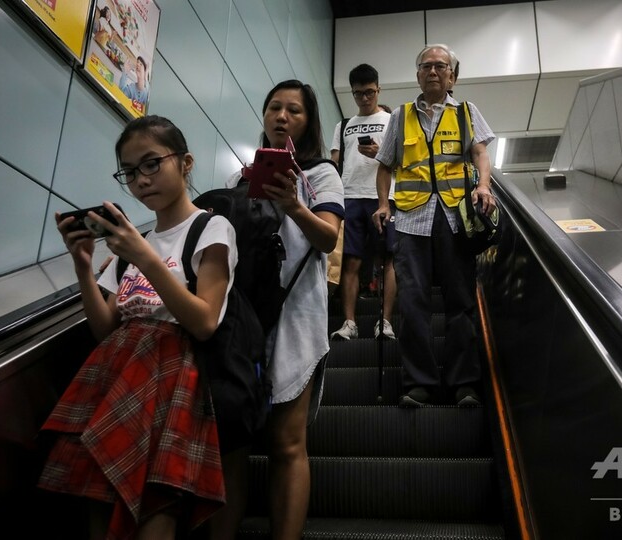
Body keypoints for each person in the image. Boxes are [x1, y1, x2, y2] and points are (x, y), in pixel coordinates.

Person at [38, 115, 236, 539]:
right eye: (129, 172)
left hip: (171, 374)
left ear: (185, 163)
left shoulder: (210, 227)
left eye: (151, 163)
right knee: (98, 491)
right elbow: (106, 329)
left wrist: (144, 256)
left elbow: (204, 321)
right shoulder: (134, 241)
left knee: (155, 504)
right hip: (116, 371)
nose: (141, 180)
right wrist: (84, 267)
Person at [206, 80, 344, 539]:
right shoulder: (239, 179)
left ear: (309, 121)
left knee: (286, 444)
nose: (282, 117)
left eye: (294, 111)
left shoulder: (321, 174)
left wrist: (293, 206)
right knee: (232, 444)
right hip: (240, 318)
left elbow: (327, 238)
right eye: (274, 108)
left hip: (295, 315)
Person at [372, 44, 496, 408]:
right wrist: (383, 204)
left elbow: (480, 153)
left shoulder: (467, 112)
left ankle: (464, 384)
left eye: (441, 66)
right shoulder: (400, 115)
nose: (433, 71)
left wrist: (484, 185)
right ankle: (419, 384)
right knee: (412, 304)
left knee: (461, 302)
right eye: (426, 66)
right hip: (411, 220)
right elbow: (385, 165)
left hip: (455, 219)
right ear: (417, 75)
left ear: (452, 77)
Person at [329, 64, 397, 341]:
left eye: (370, 92)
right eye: (358, 93)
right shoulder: (343, 125)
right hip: (349, 196)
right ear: (352, 93)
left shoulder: (392, 120)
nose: (365, 98)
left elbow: (404, 160)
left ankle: (386, 321)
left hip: (384, 197)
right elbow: (334, 163)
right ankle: (349, 322)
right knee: (350, 260)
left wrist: (380, 152)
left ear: (379, 89)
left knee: (389, 258)